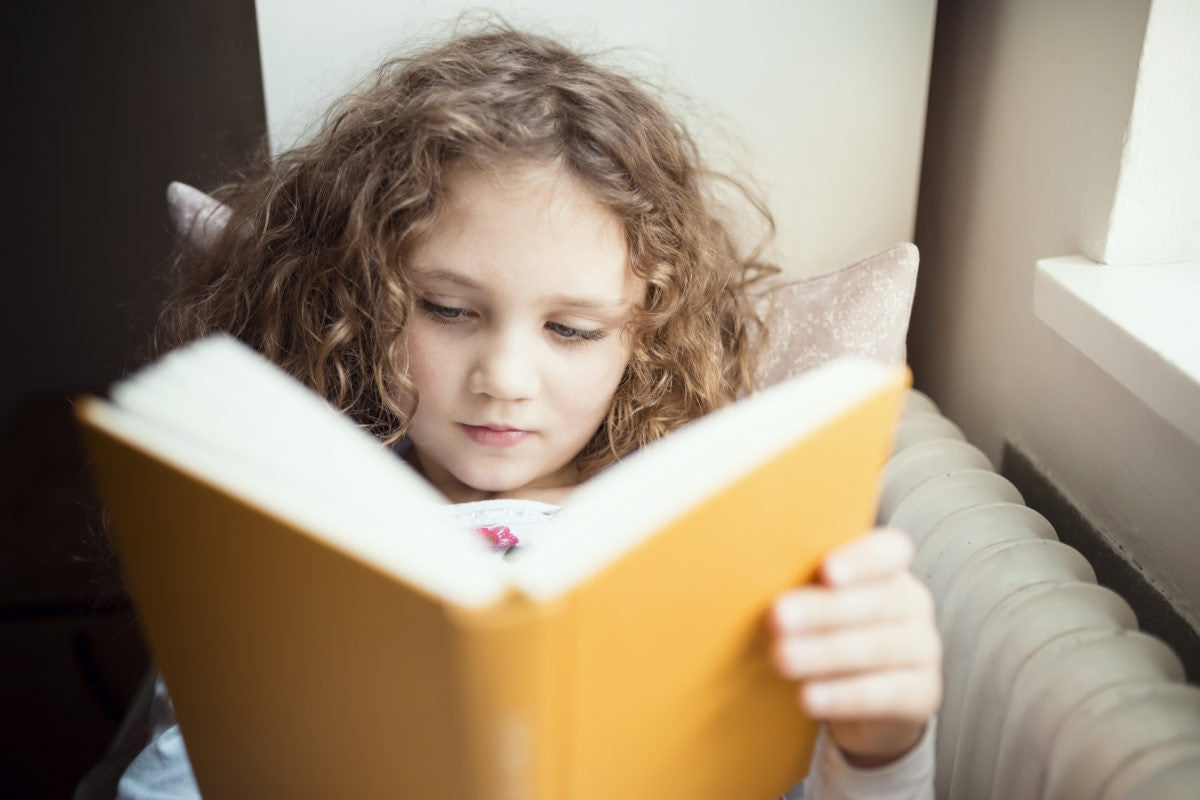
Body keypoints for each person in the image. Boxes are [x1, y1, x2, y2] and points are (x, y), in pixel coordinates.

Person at [82, 24, 940, 800]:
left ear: (643, 338)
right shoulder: (300, 516)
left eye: (570, 329)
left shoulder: (697, 525)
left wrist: (883, 753)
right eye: (448, 311)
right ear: (361, 298)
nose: (504, 379)